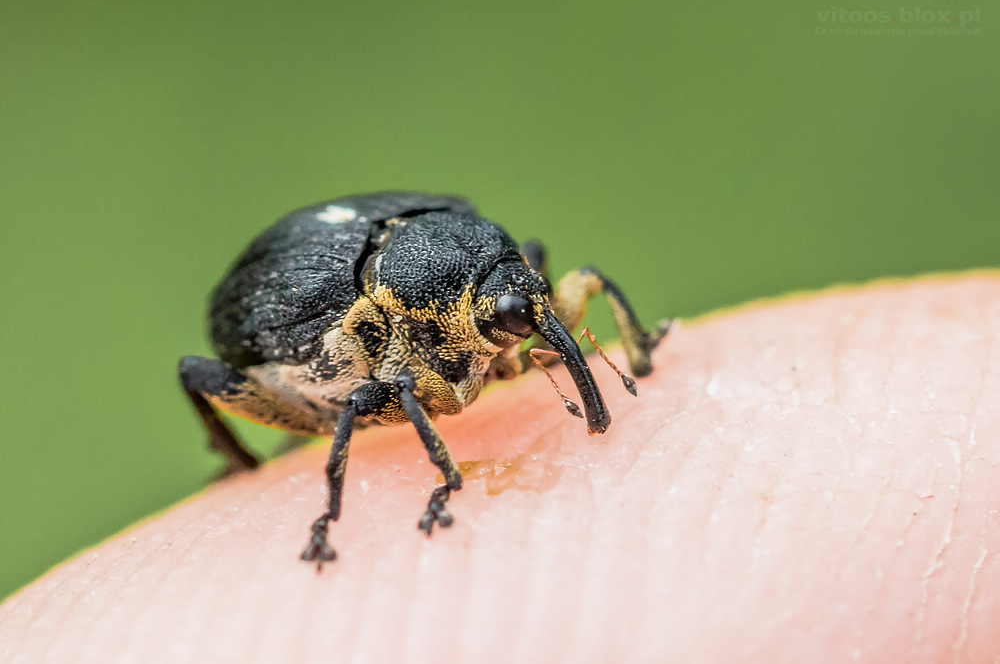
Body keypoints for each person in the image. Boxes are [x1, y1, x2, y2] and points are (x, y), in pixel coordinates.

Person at [2, 273, 998, 663]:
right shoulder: (396, 333)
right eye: (520, 326)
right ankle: (245, 465)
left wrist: (625, 347)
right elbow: (379, 392)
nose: (547, 339)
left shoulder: (497, 295)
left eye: (533, 321)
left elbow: (573, 288)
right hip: (298, 355)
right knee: (324, 391)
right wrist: (444, 477)